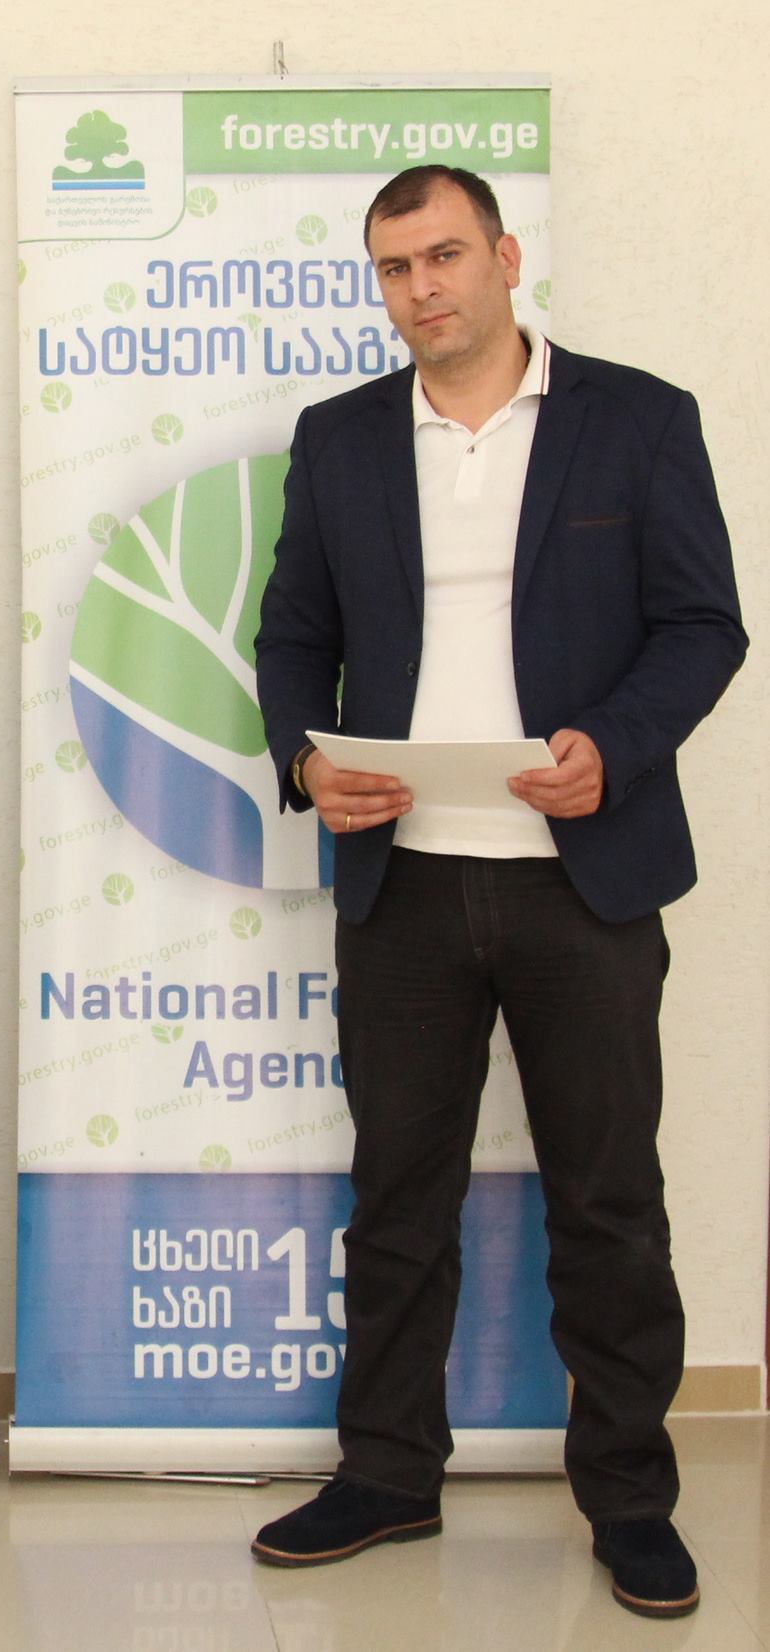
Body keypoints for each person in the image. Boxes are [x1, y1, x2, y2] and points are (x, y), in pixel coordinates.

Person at [250, 166, 746, 1617]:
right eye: (395, 267)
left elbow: (703, 626)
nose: (423, 288)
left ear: (506, 256)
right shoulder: (339, 437)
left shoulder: (638, 419)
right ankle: (388, 1473)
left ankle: (630, 1497)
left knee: (608, 1199)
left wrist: (616, 746)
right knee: (398, 1195)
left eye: (446, 254)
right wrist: (304, 761)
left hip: (584, 881)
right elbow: (293, 638)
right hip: (403, 883)